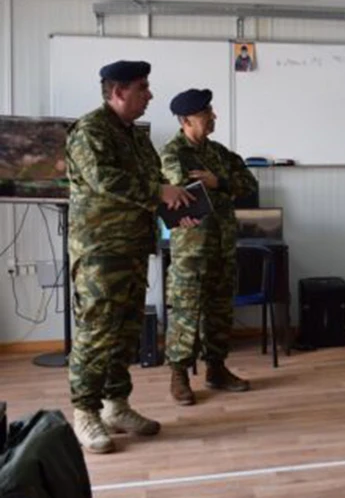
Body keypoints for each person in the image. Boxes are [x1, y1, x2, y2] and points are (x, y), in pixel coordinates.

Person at [66, 60, 194, 454]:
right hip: (100, 251)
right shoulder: (90, 130)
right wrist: (159, 192)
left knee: (125, 332)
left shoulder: (136, 136)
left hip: (134, 249)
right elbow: (105, 179)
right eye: (142, 87)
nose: (150, 95)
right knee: (96, 332)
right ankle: (85, 411)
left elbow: (152, 184)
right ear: (119, 92)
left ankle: (116, 406)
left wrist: (177, 211)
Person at [162, 88, 259, 405]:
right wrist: (216, 188)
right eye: (206, 113)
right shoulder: (172, 154)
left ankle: (216, 369)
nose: (213, 116)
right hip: (192, 252)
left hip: (223, 247)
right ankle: (179, 375)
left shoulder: (220, 154)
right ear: (186, 120)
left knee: (220, 312)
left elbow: (249, 184)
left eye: (211, 110)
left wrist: (219, 182)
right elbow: (180, 192)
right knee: (186, 314)